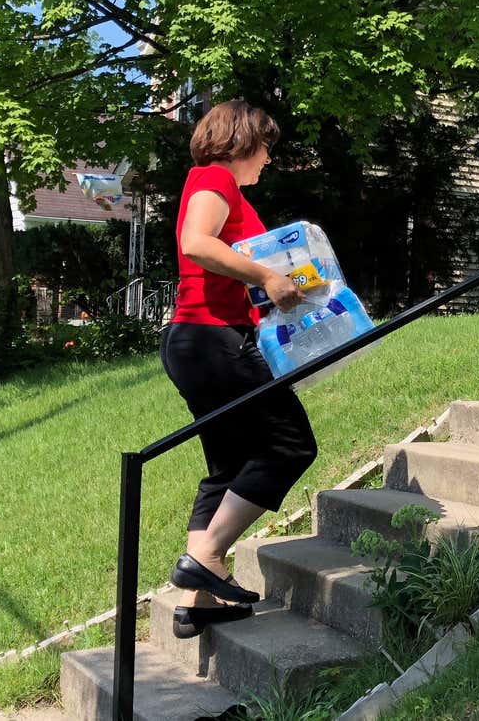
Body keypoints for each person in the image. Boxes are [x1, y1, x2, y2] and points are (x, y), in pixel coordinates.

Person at [158, 99, 317, 639]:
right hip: (210, 341)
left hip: (201, 340)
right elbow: (196, 244)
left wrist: (277, 293)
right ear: (245, 140)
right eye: (267, 147)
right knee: (290, 444)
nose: (269, 159)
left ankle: (196, 603)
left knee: (228, 465)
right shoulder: (214, 178)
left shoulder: (220, 186)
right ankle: (204, 556)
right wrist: (267, 278)